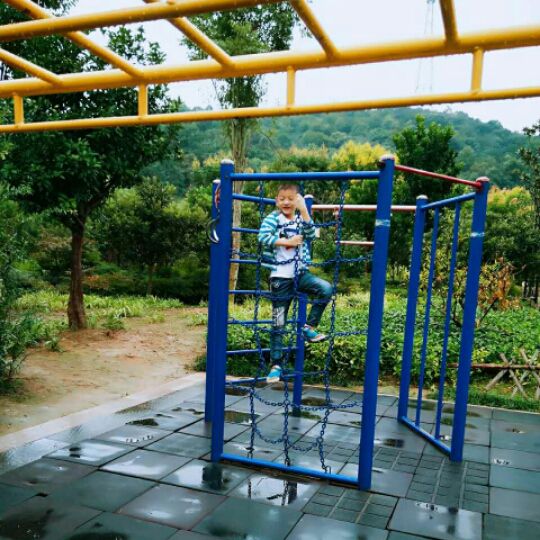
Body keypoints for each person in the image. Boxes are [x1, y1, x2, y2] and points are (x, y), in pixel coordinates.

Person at [258, 184, 333, 382]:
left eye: (291, 199)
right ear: (277, 201)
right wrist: (287, 242)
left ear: (297, 201)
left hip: (300, 274)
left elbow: (311, 235)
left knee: (326, 289)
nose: (286, 202)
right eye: (282, 198)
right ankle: (276, 365)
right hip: (279, 278)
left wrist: (305, 210)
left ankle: (308, 327)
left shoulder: (300, 218)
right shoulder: (273, 218)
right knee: (278, 322)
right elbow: (263, 236)